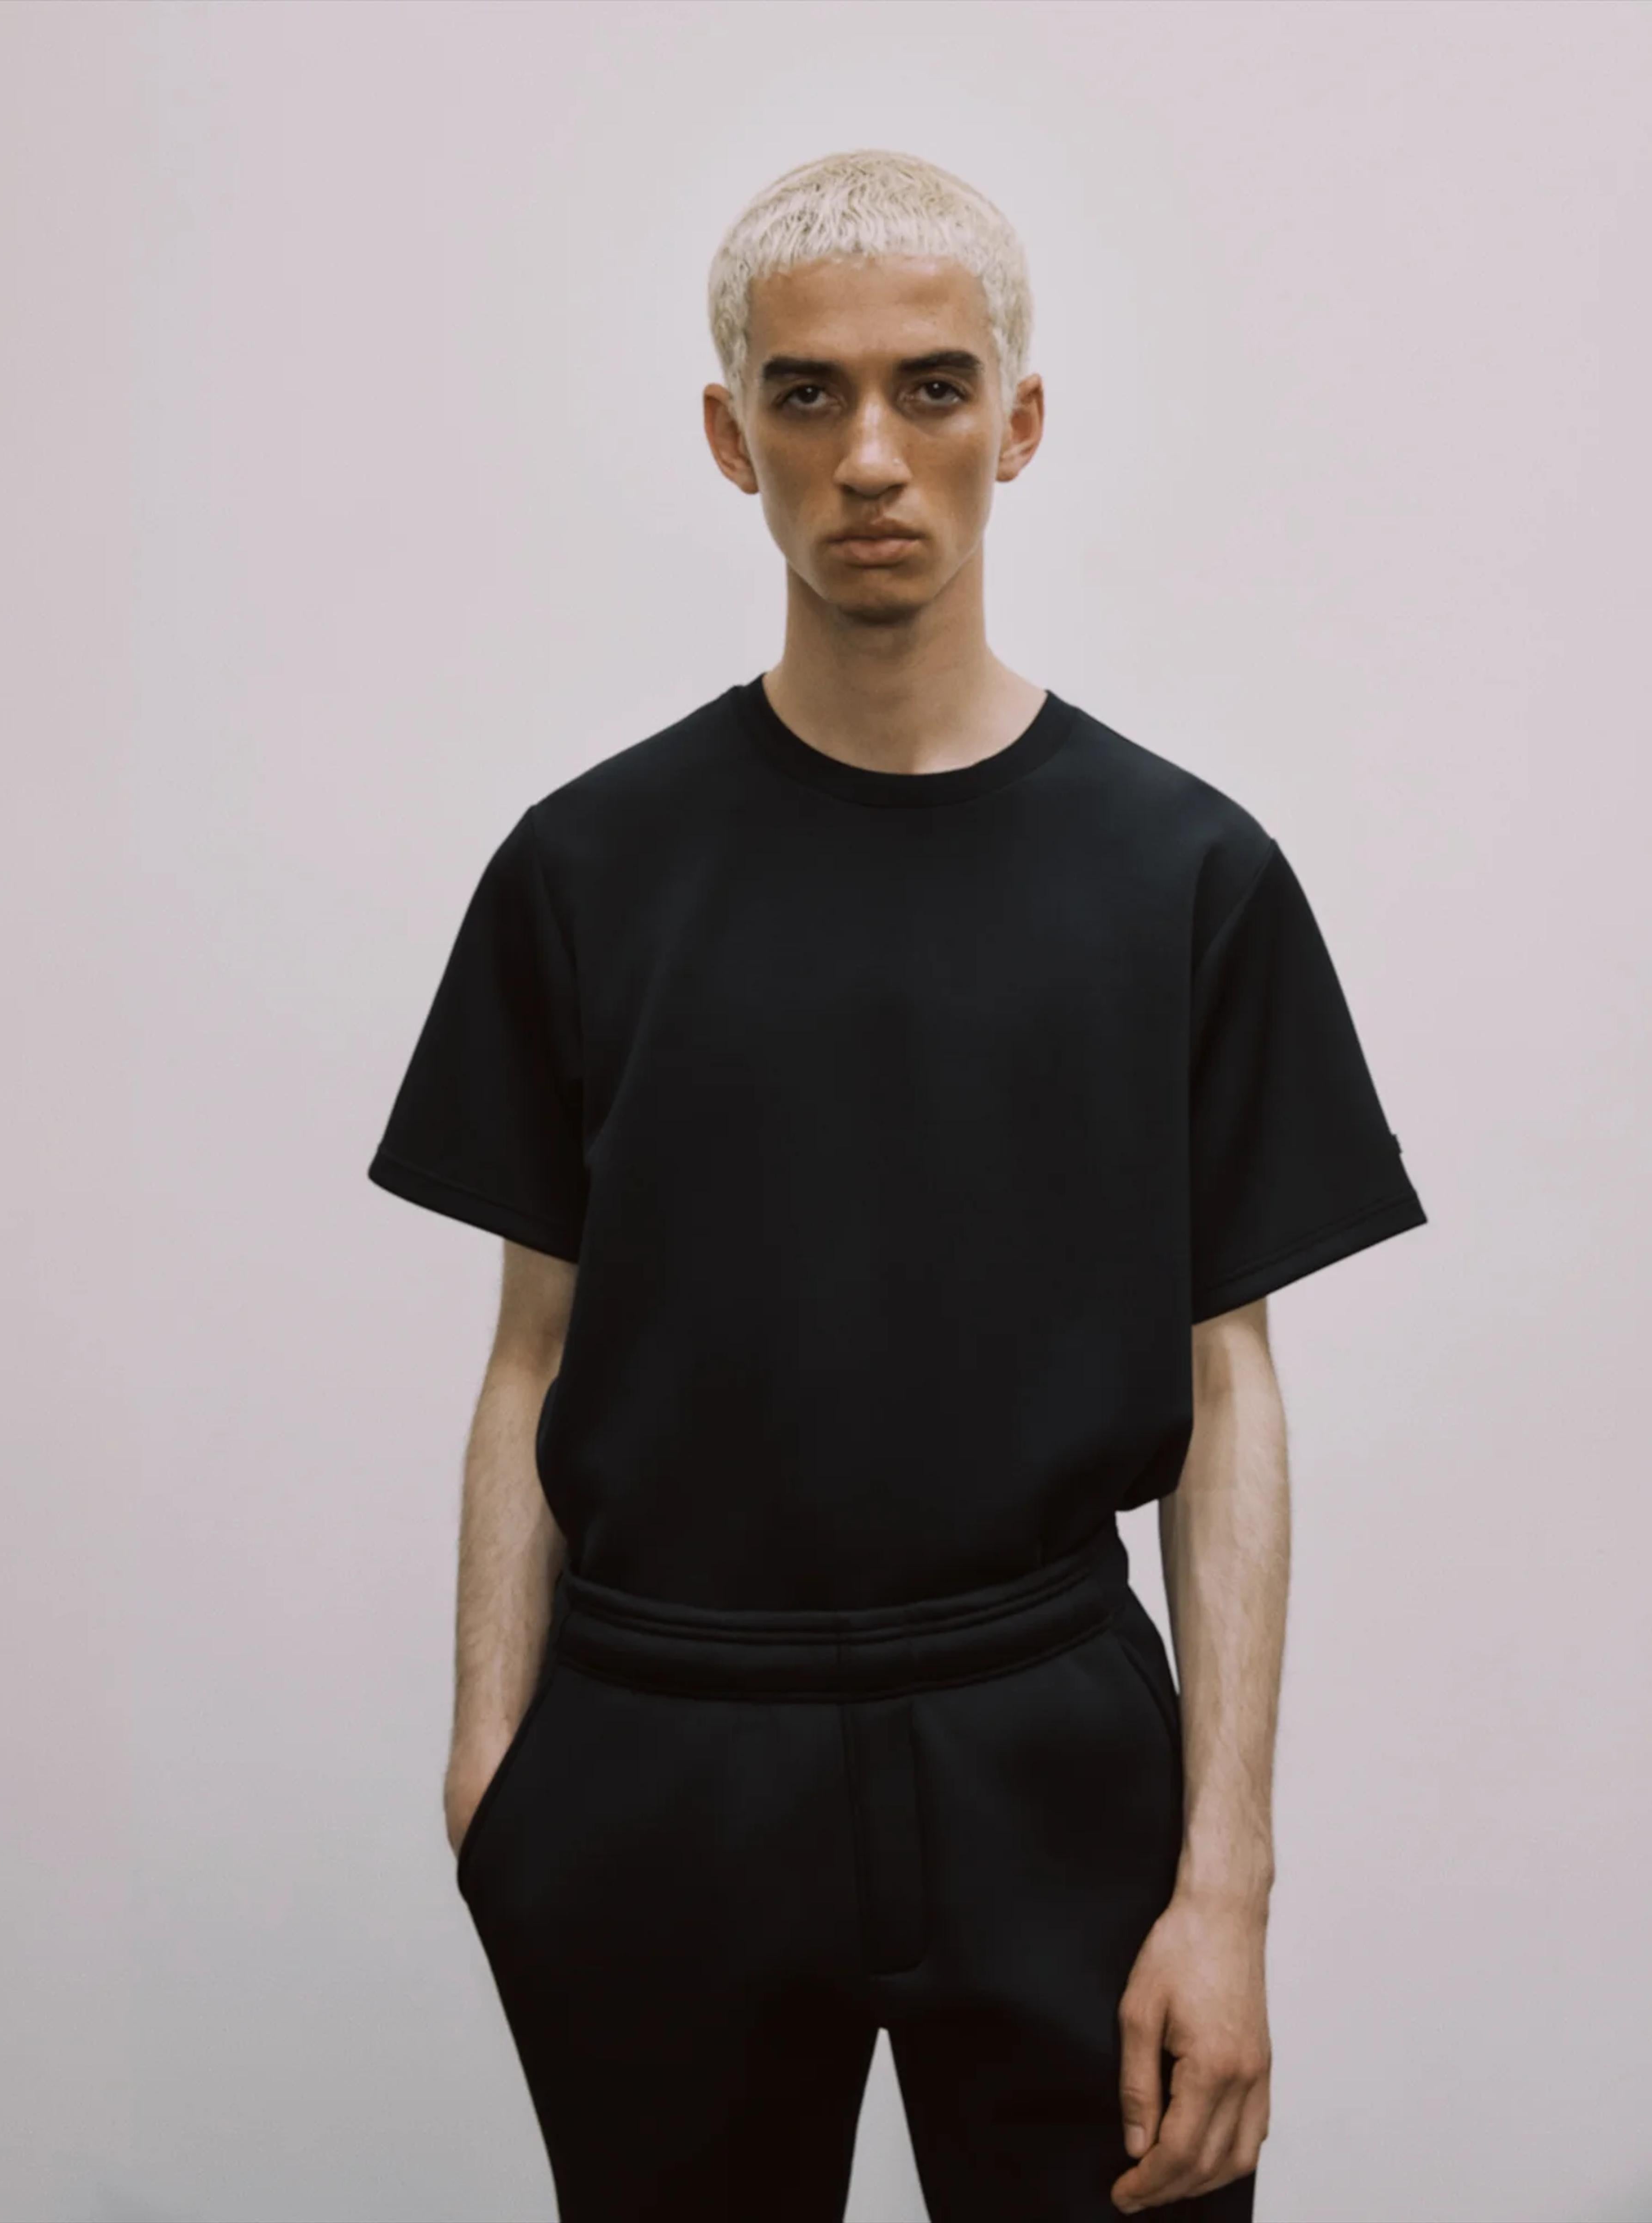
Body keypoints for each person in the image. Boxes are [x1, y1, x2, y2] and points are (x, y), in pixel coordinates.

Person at [367, 147, 1427, 2223]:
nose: (871, 456)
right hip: (664, 1744)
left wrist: (1227, 1882)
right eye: (809, 393)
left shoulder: (1185, 879)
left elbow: (1228, 1386)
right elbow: (533, 1355)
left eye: (932, 388)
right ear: (729, 432)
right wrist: (493, 1776)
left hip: (1046, 1741)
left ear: (1018, 422)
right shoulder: (588, 873)